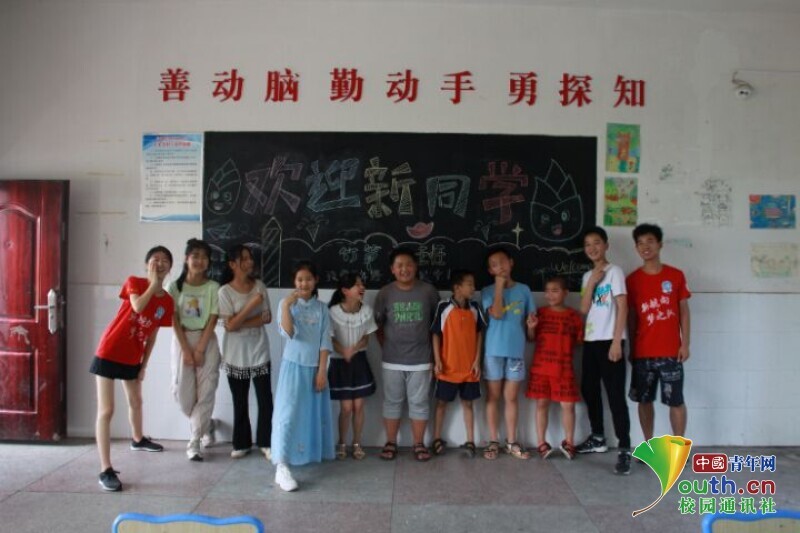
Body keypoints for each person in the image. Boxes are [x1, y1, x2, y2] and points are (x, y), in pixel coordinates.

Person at [90, 246, 174, 492]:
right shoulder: (134, 282)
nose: (160, 263)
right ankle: (105, 469)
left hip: (132, 356)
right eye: (155, 259)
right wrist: (153, 284)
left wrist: (143, 365)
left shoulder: (167, 302)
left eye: (165, 260)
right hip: (109, 350)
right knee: (107, 410)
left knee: (136, 401)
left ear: (171, 267)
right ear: (147, 264)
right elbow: (137, 307)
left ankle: (138, 440)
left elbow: (153, 335)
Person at [272, 260, 335, 492]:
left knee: (310, 415)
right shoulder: (286, 304)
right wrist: (287, 307)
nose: (304, 283)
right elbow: (288, 332)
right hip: (293, 367)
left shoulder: (322, 308)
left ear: (315, 280)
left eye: (308, 279)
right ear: (294, 281)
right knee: (286, 414)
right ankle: (281, 465)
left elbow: (325, 342)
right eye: (299, 279)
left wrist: (322, 371)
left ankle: (304, 454)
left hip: (315, 369)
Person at [626, 224, 691, 444]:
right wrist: (632, 349)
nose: (645, 246)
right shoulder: (632, 280)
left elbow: (684, 311)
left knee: (676, 401)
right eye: (640, 243)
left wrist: (685, 343)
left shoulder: (675, 275)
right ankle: (648, 446)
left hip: (671, 351)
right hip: (643, 352)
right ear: (636, 248)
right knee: (644, 401)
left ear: (660, 244)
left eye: (650, 241)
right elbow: (631, 317)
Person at [374, 247, 439, 462]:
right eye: (399, 265)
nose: (405, 269)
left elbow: (436, 326)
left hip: (421, 359)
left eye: (409, 264)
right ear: (392, 269)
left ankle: (418, 443)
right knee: (392, 402)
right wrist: (387, 347)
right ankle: (390, 442)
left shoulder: (428, 291)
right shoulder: (385, 293)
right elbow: (378, 326)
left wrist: (434, 357)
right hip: (392, 359)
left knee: (419, 403)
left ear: (416, 267)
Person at [577, 226, 633, 475]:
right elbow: (584, 308)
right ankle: (598, 437)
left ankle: (624, 449)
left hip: (610, 341)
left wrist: (617, 341)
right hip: (591, 341)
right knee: (589, 389)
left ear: (606, 245)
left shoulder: (615, 272)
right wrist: (592, 282)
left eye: (596, 243)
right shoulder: (587, 276)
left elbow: (623, 307)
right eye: (588, 244)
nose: (592, 248)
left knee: (615, 396)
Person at [218, 244, 273, 460]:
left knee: (265, 399)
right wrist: (251, 306)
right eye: (244, 258)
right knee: (239, 400)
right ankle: (241, 443)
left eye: (250, 258)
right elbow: (229, 326)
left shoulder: (259, 286)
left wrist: (238, 321)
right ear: (232, 264)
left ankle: (266, 442)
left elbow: (266, 318)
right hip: (235, 353)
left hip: (259, 350)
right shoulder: (224, 291)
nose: (250, 262)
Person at [168, 238, 221, 462]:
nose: (199, 261)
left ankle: (195, 440)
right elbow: (173, 319)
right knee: (183, 395)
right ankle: (206, 424)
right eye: (195, 256)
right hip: (182, 340)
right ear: (186, 259)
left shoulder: (213, 287)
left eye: (204, 257)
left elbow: (213, 318)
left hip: (206, 340)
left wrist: (199, 349)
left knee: (207, 390)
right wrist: (186, 350)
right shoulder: (174, 287)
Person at [481, 246, 536, 460]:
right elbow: (495, 314)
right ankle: (493, 441)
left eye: (503, 261)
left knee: (511, 397)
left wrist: (531, 327)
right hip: (493, 351)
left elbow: (531, 333)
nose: (500, 267)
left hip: (515, 352)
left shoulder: (524, 290)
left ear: (511, 262)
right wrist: (498, 286)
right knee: (493, 397)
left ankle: (511, 441)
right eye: (494, 265)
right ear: (490, 270)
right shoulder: (487, 291)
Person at [525, 276, 583, 460]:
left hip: (564, 368)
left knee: (568, 406)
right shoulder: (539, 313)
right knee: (542, 404)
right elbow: (531, 338)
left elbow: (580, 341)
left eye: (555, 291)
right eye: (547, 291)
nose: (550, 295)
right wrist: (531, 327)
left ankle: (569, 442)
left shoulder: (574, 316)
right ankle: (541, 443)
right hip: (541, 368)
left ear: (566, 293)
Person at [430, 269, 486, 458]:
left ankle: (470, 441)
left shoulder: (475, 308)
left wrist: (477, 361)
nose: (473, 288)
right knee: (441, 403)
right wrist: (437, 360)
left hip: (469, 368)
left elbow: (479, 335)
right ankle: (437, 438)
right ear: (457, 287)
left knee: (468, 404)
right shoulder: (443, 306)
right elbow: (435, 334)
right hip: (447, 367)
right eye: (469, 284)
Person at [327, 272, 377, 460]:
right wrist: (343, 351)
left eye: (362, 284)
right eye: (357, 285)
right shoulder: (332, 312)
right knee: (346, 408)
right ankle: (342, 443)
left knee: (358, 406)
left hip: (358, 360)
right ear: (345, 291)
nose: (362, 287)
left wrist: (353, 349)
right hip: (340, 362)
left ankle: (357, 443)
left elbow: (366, 337)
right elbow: (330, 338)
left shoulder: (367, 311)